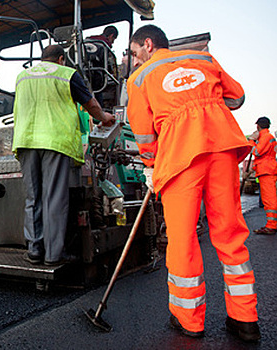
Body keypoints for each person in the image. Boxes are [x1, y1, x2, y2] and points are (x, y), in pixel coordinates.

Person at [126, 25, 260, 342]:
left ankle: (190, 321)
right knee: (229, 232)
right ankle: (246, 319)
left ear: (148, 44)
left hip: (179, 157)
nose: (134, 61)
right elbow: (238, 97)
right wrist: (203, 104)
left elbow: (144, 134)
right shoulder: (203, 59)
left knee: (183, 238)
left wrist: (149, 166)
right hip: (222, 147)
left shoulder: (141, 78)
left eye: (134, 53)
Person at [13, 44, 115, 266]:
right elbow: (91, 104)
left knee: (33, 197)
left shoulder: (22, 77)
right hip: (53, 141)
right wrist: (105, 117)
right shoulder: (66, 74)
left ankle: (34, 250)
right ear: (61, 59)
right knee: (54, 199)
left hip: (25, 140)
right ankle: (53, 255)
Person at [249, 117, 277, 235]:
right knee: (268, 198)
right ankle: (271, 224)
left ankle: (271, 225)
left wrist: (251, 140)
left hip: (266, 170)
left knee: (269, 199)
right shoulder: (268, 137)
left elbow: (257, 152)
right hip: (267, 169)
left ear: (258, 126)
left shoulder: (265, 137)